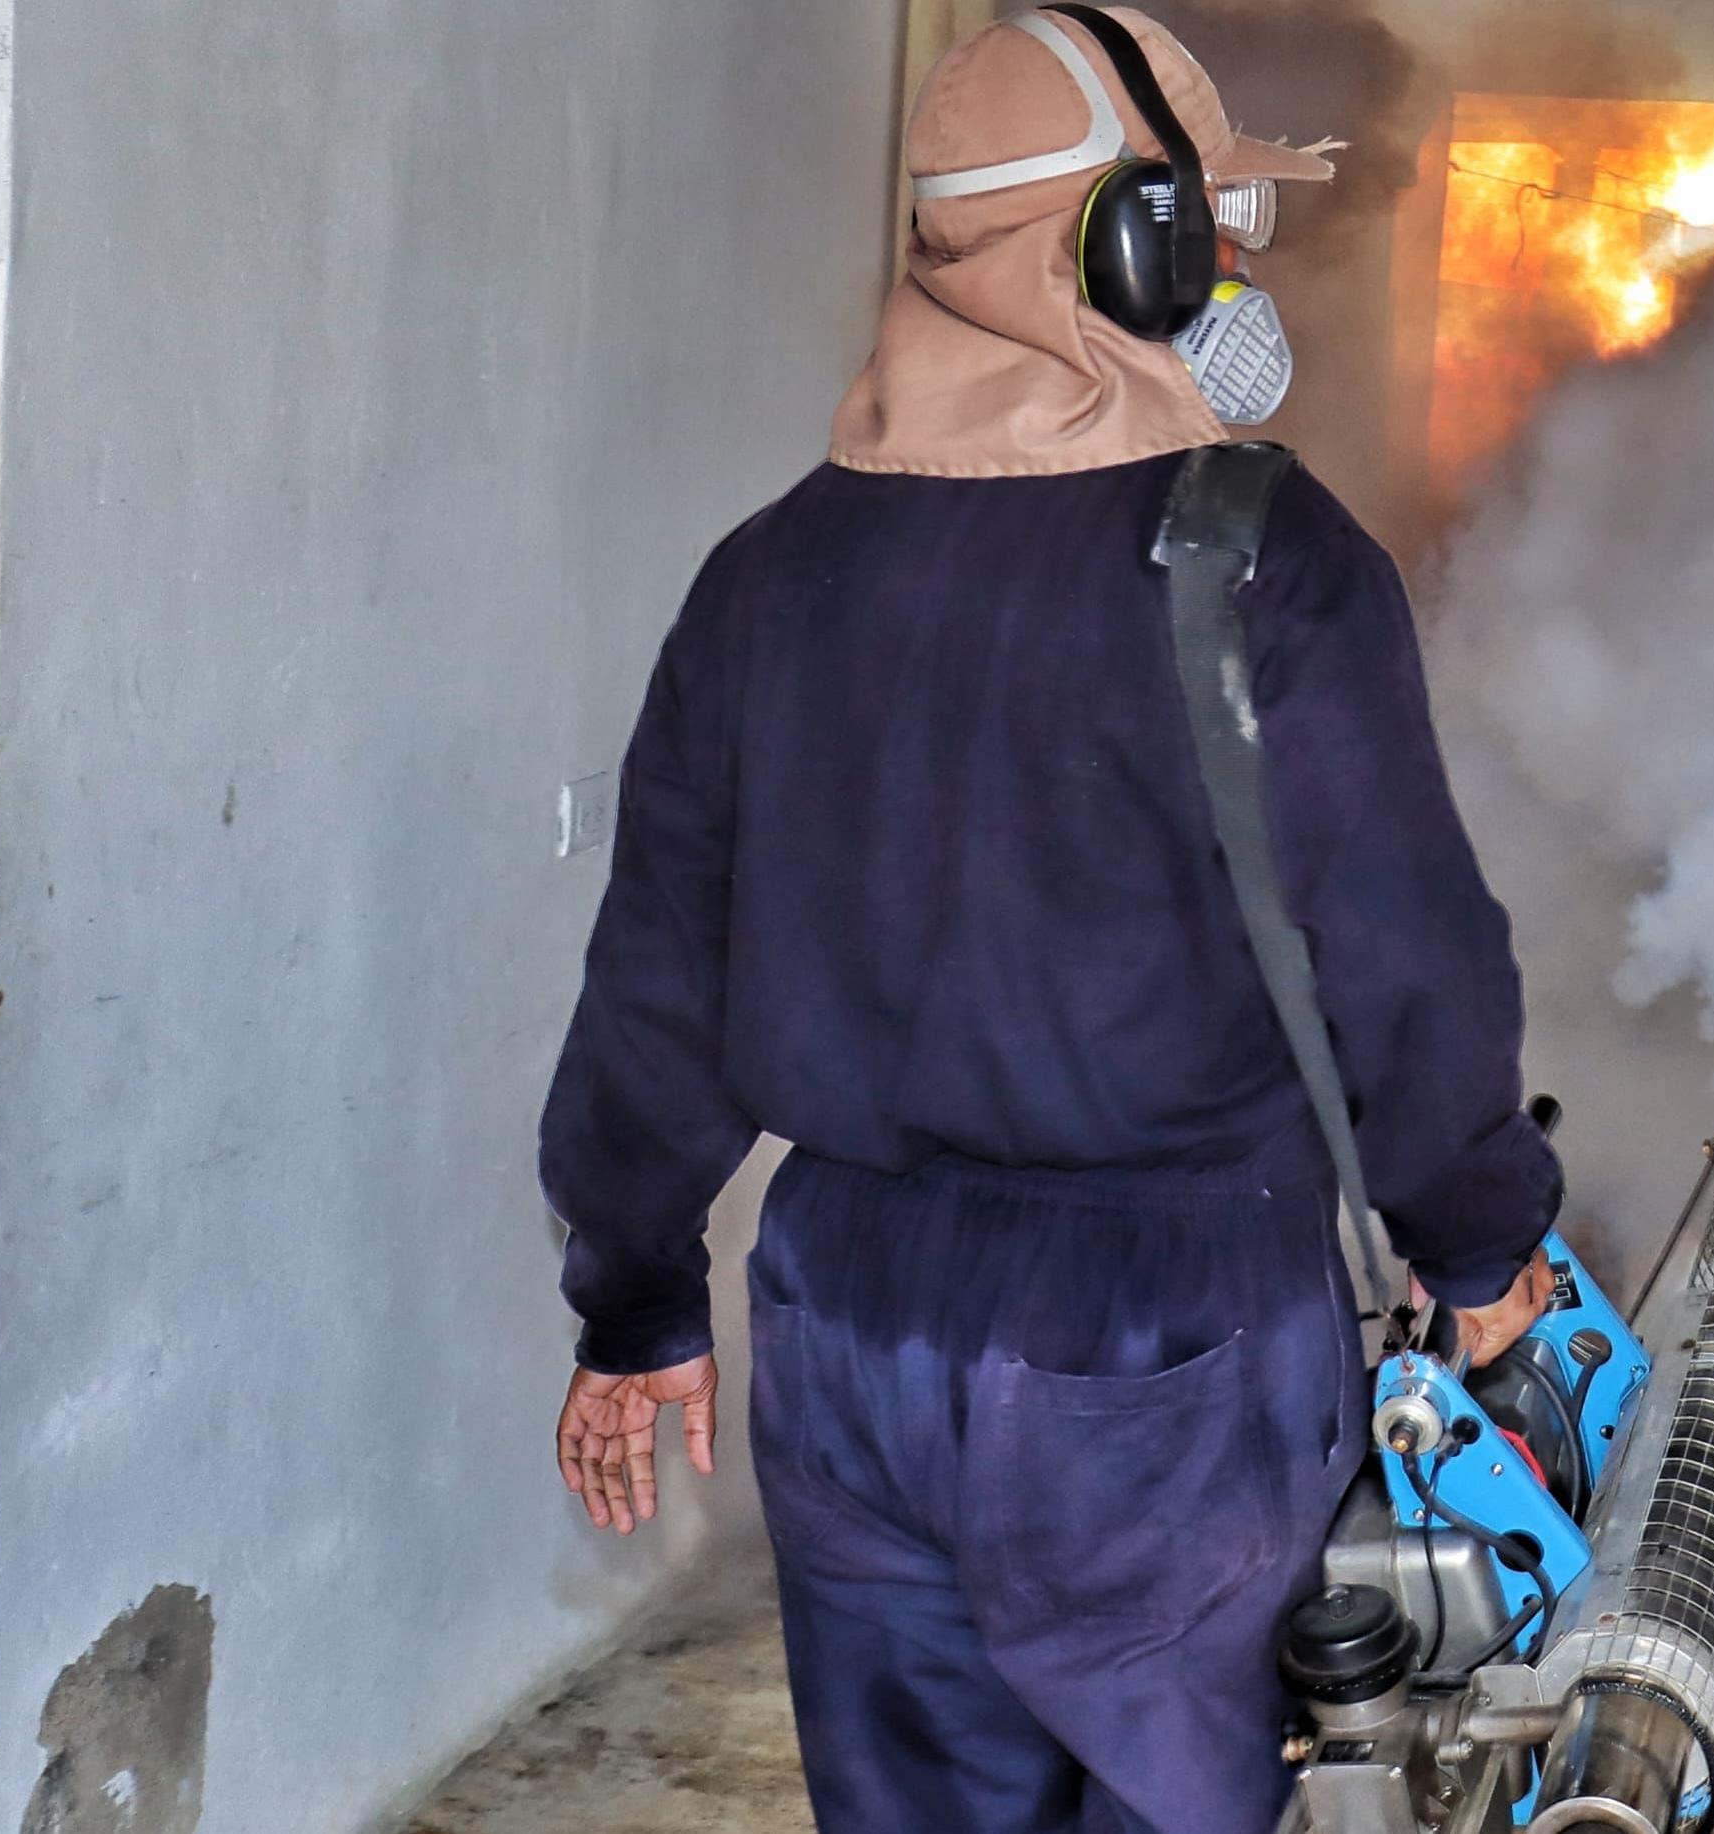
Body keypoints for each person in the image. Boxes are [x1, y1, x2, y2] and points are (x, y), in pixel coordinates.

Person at [534, 11, 1563, 1830]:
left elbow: (655, 991)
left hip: (840, 1308)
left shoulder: (767, 571)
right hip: (1161, 1338)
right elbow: (1406, 964)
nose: (1229, 267)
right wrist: (1479, 1243)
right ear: (1138, 246)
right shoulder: (1272, 561)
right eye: (1204, 225)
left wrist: (636, 1297)